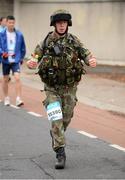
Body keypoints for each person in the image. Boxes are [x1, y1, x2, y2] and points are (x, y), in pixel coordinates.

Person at [27, 9, 97, 169]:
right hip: (51, 88)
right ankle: (60, 153)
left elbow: (86, 54)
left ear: (68, 24)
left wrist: (90, 60)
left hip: (70, 88)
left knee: (66, 117)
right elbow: (35, 56)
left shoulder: (74, 40)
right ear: (54, 24)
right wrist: (31, 62)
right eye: (59, 23)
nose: (61, 25)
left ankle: (56, 133)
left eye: (64, 23)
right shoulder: (47, 41)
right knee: (56, 119)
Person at [0, 15, 26, 106]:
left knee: (17, 78)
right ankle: (6, 97)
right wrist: (2, 52)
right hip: (5, 60)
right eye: (9, 22)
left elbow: (23, 47)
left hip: (15, 60)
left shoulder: (19, 34)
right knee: (5, 79)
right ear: (6, 23)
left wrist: (22, 57)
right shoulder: (1, 33)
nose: (11, 24)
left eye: (13, 23)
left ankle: (18, 98)